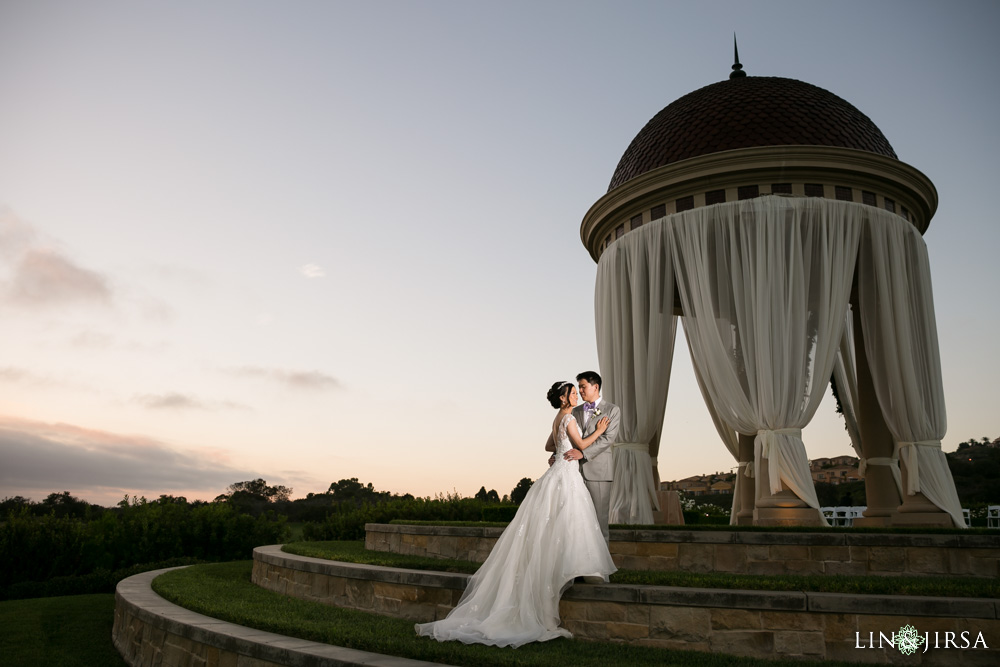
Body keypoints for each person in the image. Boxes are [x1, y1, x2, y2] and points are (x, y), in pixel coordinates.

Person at [415, 381, 617, 648]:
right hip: (566, 474)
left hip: (557, 471)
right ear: (562, 397)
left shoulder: (557, 418)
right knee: (569, 522)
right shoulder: (568, 416)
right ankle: (570, 569)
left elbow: (549, 445)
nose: (576, 394)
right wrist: (598, 432)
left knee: (559, 524)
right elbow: (579, 444)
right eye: (571, 392)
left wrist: (559, 451)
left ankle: (568, 567)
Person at [551, 371, 620, 544]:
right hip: (573, 472)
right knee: (574, 522)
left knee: (599, 522)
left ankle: (601, 571)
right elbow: (564, 436)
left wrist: (583, 453)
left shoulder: (612, 410)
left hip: (598, 473)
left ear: (595, 387)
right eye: (578, 388)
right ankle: (578, 567)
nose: (580, 391)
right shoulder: (574, 411)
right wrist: (556, 455)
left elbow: (607, 439)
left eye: (583, 387)